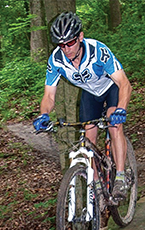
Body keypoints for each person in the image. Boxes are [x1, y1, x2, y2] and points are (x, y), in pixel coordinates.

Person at [33, 12, 132, 200]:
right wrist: (44, 114)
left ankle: (120, 176)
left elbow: (124, 84)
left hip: (110, 88)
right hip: (90, 93)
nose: (66, 49)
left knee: (114, 124)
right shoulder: (56, 60)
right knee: (88, 140)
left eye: (70, 43)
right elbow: (49, 95)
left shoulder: (98, 52)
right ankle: (95, 184)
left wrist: (121, 109)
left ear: (80, 37)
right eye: (61, 45)